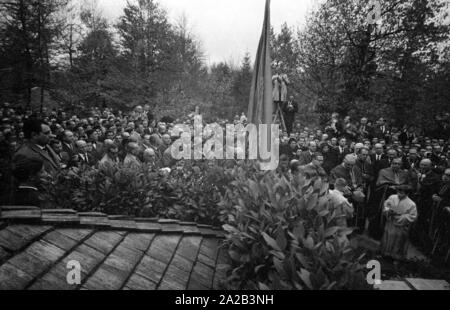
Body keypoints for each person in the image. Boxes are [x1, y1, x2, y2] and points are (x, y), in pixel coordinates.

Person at [381, 185, 417, 262]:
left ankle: (396, 257)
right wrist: (388, 211)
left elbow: (412, 216)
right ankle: (385, 253)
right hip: (390, 221)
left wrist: (402, 217)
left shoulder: (411, 204)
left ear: (407, 194)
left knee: (398, 241)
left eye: (402, 193)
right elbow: (386, 205)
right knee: (388, 237)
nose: (399, 194)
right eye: (398, 192)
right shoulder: (392, 197)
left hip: (400, 225)